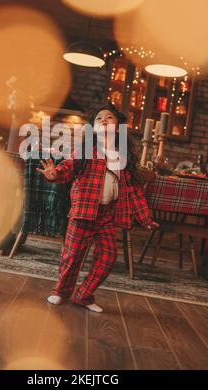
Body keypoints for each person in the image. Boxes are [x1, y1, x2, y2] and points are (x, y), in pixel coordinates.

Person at [37, 103, 158, 313]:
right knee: (71, 256)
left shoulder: (123, 157)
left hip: (107, 216)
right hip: (83, 212)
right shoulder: (85, 151)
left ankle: (83, 295)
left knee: (108, 256)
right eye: (99, 118)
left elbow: (134, 191)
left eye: (108, 117)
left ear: (118, 126)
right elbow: (67, 168)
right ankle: (60, 291)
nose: (103, 120)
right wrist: (54, 173)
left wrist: (145, 218)